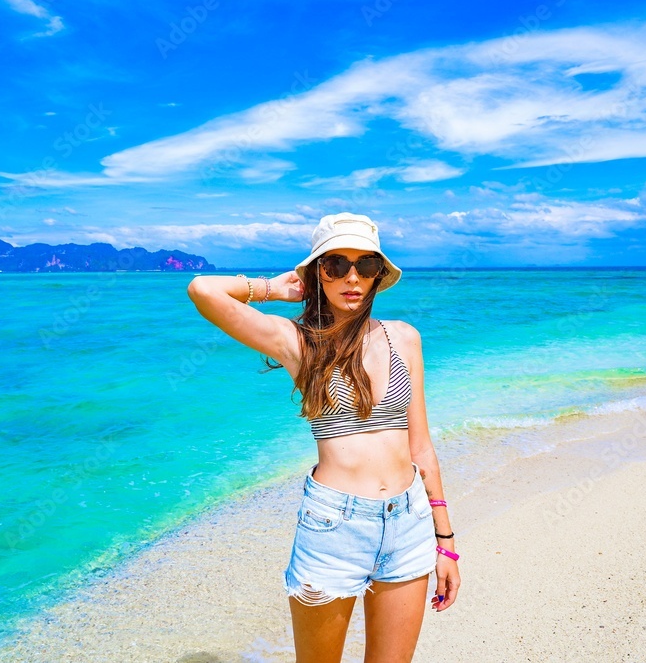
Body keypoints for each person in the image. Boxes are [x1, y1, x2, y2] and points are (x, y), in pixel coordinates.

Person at [186, 212, 460, 662]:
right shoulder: (296, 341)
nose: (352, 277)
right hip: (335, 528)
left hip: (409, 522)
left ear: (377, 276)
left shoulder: (403, 338)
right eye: (335, 265)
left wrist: (445, 543)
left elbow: (421, 447)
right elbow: (203, 290)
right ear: (317, 273)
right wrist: (275, 288)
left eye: (366, 266)